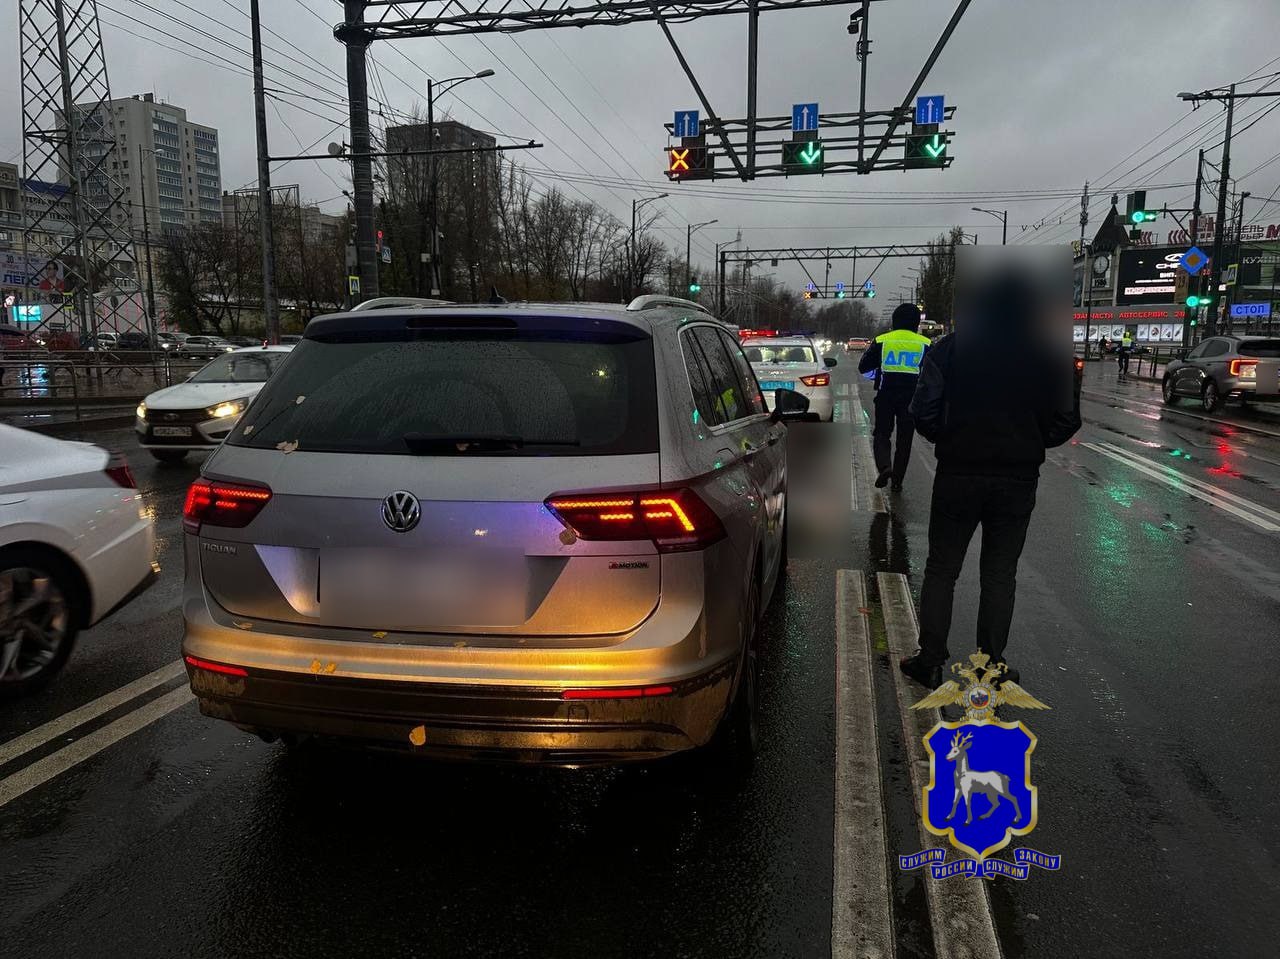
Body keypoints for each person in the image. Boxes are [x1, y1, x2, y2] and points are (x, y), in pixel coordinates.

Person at [898, 271, 1082, 690]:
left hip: (957, 474)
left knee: (942, 568)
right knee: (1000, 574)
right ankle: (990, 666)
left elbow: (923, 411)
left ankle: (930, 660)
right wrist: (1029, 441)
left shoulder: (949, 349)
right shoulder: (1049, 355)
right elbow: (1067, 419)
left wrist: (951, 438)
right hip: (1017, 479)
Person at [858, 303, 931, 492]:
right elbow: (932, 374)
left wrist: (879, 375)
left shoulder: (882, 340)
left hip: (886, 395)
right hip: (912, 398)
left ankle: (885, 466)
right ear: (916, 323)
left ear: (895, 321)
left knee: (882, 433)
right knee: (905, 440)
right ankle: (897, 481)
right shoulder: (926, 344)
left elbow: (863, 367)